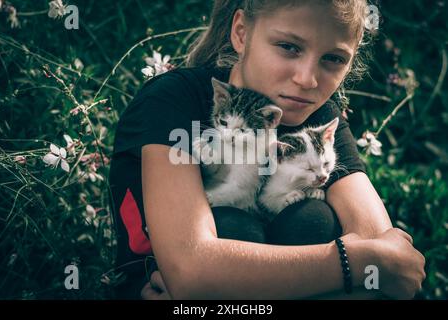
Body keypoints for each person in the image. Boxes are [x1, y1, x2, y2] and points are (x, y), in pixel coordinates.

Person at [109, 0, 426, 300]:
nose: (307, 79)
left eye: (333, 59)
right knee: (234, 226)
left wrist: (220, 291)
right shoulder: (173, 100)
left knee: (311, 218)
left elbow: (393, 271)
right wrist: (352, 263)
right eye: (289, 47)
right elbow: (191, 269)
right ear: (241, 33)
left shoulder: (317, 119)